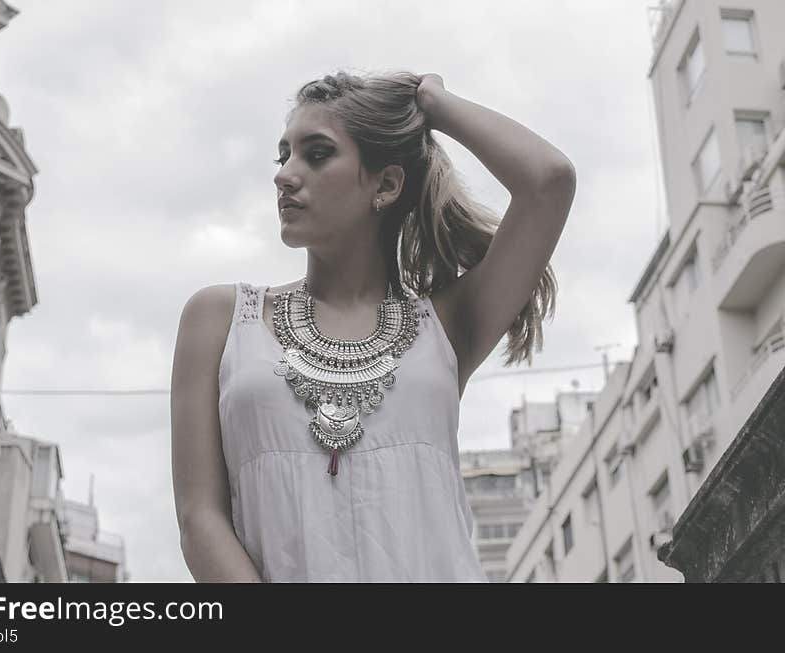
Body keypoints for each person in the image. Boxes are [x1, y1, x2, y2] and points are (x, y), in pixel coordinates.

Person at [171, 70, 576, 582]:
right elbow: (199, 517)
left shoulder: (446, 324)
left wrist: (433, 102)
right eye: (284, 155)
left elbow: (549, 180)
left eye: (316, 154)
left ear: (385, 184)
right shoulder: (220, 319)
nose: (284, 174)